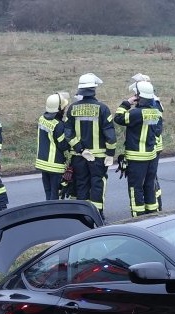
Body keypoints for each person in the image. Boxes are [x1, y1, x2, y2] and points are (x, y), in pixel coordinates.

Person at [65, 73, 117, 218]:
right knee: (97, 185)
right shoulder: (103, 108)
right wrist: (110, 154)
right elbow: (110, 135)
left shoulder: (72, 108)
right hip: (98, 158)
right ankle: (97, 215)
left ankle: (83, 216)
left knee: (81, 184)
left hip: (79, 157)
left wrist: (80, 149)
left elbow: (68, 132)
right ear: (94, 89)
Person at [114, 80, 162, 216]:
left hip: (136, 157)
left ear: (139, 96)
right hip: (151, 156)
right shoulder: (155, 112)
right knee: (149, 185)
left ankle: (138, 216)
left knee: (136, 188)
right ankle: (152, 213)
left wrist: (127, 103)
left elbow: (118, 118)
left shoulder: (136, 114)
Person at [129, 73, 165, 211]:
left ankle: (154, 206)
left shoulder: (152, 104)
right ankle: (154, 206)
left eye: (136, 93)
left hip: (149, 147)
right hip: (151, 146)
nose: (135, 96)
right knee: (150, 180)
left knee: (149, 181)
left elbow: (155, 128)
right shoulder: (154, 102)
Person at [35, 92, 71, 200]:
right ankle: (55, 214)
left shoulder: (41, 118)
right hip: (55, 165)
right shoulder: (58, 125)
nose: (64, 109)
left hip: (42, 163)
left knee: (48, 193)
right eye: (63, 107)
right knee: (55, 195)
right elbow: (63, 145)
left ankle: (48, 213)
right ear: (59, 108)